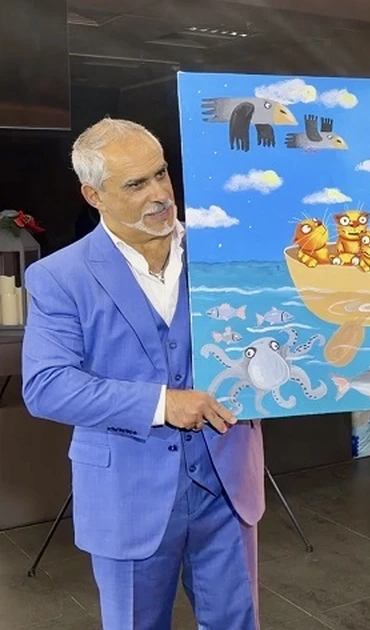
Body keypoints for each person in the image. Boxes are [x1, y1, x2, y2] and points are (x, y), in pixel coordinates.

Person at [20, 117, 264, 629]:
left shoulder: (227, 255)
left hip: (228, 482)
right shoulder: (59, 277)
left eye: (161, 173)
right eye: (136, 184)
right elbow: (47, 386)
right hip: (126, 494)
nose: (159, 194)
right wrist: (162, 403)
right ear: (94, 195)